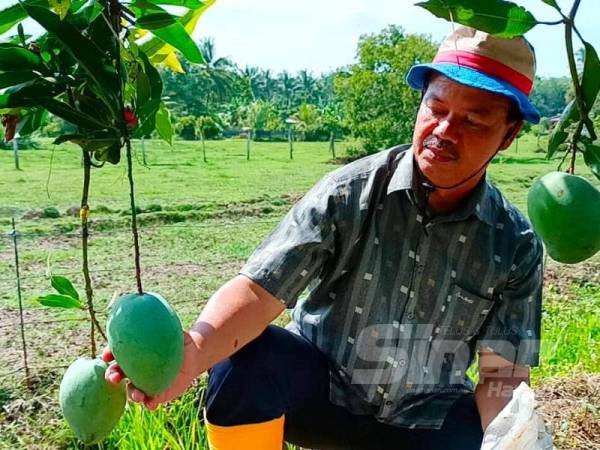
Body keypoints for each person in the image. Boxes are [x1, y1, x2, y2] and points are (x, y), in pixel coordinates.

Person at [104, 26, 544, 450]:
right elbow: (260, 291)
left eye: (474, 121)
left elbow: (500, 373)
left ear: (508, 135)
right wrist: (193, 353)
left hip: (425, 422)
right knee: (247, 364)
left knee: (480, 434)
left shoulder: (515, 244)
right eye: (437, 108)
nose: (446, 131)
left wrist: (512, 439)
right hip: (323, 398)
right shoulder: (348, 193)